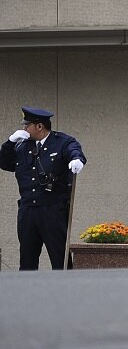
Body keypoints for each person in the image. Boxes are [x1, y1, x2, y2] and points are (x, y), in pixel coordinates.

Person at [0, 106, 86, 270]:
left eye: (28, 125)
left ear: (39, 126)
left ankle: (66, 292)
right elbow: (4, 163)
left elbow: (73, 150)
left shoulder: (61, 142)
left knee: (59, 258)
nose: (24, 128)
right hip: (28, 210)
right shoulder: (22, 146)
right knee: (27, 259)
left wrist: (77, 159)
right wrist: (9, 143)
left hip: (53, 210)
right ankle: (28, 293)